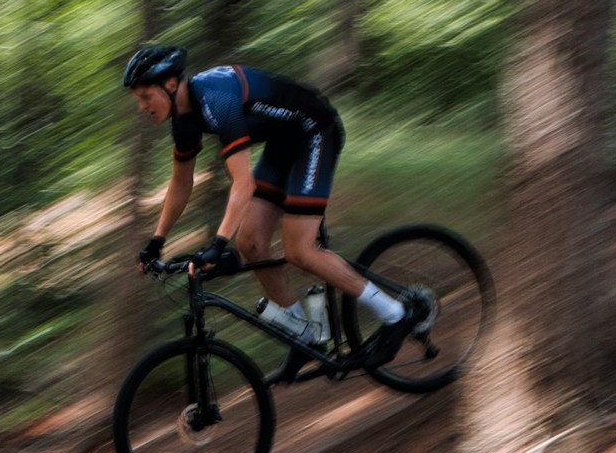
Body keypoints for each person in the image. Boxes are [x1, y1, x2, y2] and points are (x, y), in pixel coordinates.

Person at [122, 44, 427, 364]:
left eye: (145, 96)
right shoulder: (183, 121)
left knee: (300, 250)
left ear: (170, 85)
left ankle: (396, 313)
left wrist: (217, 243)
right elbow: (181, 183)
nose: (142, 106)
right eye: (138, 100)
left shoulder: (215, 98)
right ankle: (304, 334)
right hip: (284, 142)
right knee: (251, 242)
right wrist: (156, 241)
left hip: (315, 131)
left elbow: (243, 184)